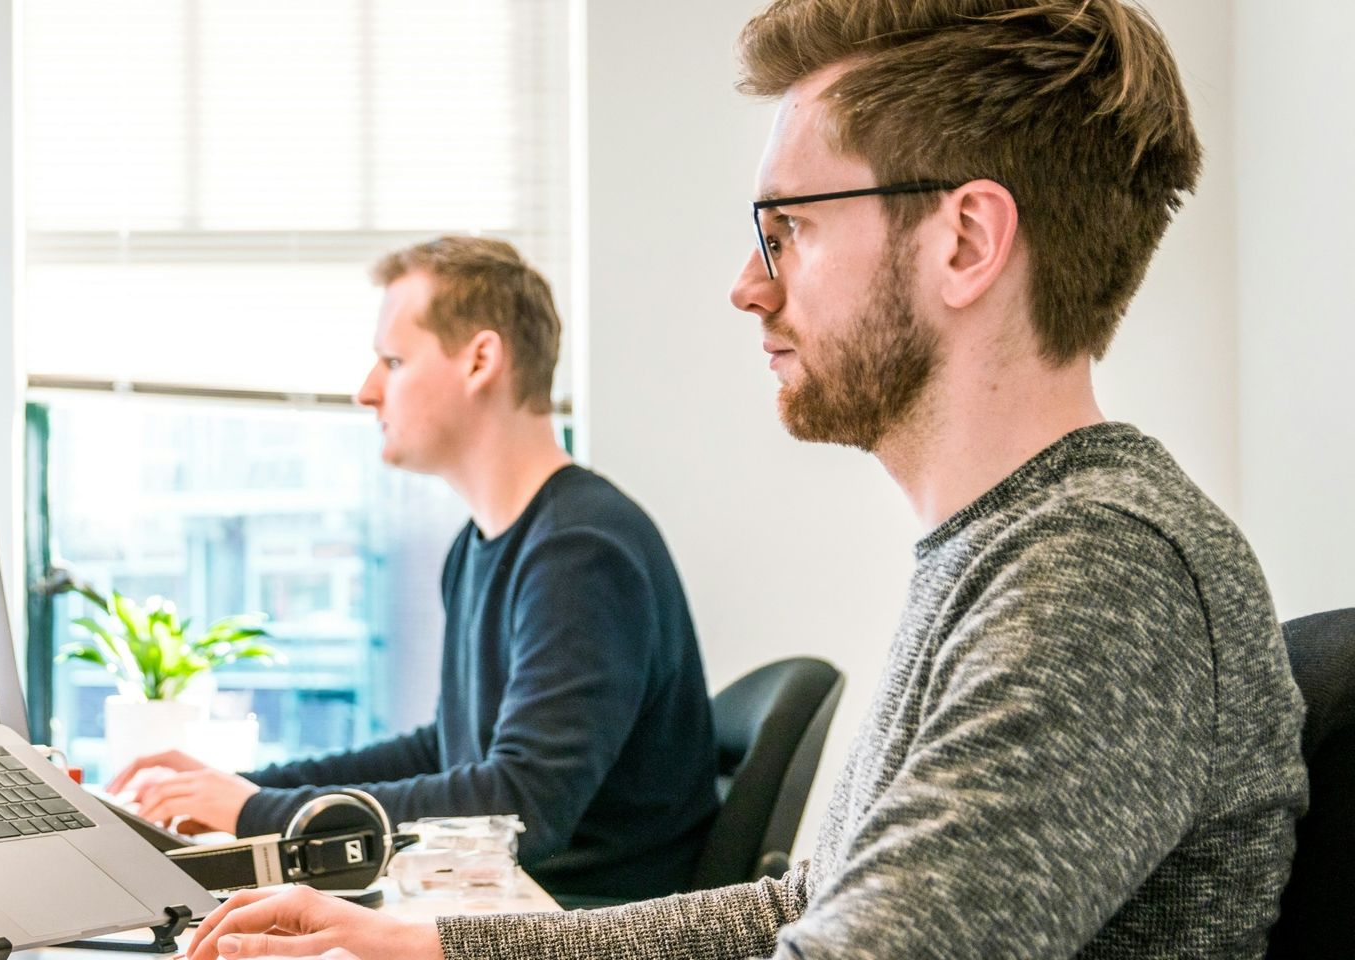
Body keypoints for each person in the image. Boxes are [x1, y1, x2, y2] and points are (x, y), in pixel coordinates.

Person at [183, 1, 1310, 957]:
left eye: (788, 231)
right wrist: (435, 944)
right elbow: (807, 906)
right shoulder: (1011, 548)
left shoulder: (1100, 574)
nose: (747, 285)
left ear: (964, 241)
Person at [110, 236, 721, 903]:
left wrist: (256, 814)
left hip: (579, 922)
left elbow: (521, 808)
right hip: (510, 904)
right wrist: (250, 790)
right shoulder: (483, 544)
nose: (366, 391)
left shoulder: (582, 551)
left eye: (394, 361)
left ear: (480, 360)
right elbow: (448, 751)